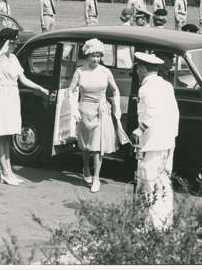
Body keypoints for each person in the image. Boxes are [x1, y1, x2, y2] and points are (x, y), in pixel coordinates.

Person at [0, 28, 49, 185]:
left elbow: (23, 79)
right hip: (2, 94)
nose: (15, 45)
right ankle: (4, 172)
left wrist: (40, 88)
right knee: (0, 135)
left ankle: (9, 171)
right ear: (6, 42)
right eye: (13, 42)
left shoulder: (13, 58)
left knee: (8, 134)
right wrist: (2, 51)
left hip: (13, 94)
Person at [131, 51, 179, 230]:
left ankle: (151, 226)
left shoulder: (146, 88)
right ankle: (164, 222)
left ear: (143, 68)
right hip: (167, 141)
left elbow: (151, 112)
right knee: (164, 182)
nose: (136, 72)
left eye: (138, 68)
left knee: (149, 183)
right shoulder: (166, 85)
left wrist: (140, 129)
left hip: (153, 143)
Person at [68, 38, 121, 193]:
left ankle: (96, 178)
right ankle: (85, 168)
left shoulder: (105, 71)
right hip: (84, 110)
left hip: (101, 111)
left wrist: (117, 107)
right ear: (87, 55)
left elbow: (116, 90)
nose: (95, 59)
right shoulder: (80, 71)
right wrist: (74, 109)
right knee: (85, 145)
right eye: (92, 55)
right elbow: (70, 91)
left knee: (97, 147)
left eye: (98, 56)